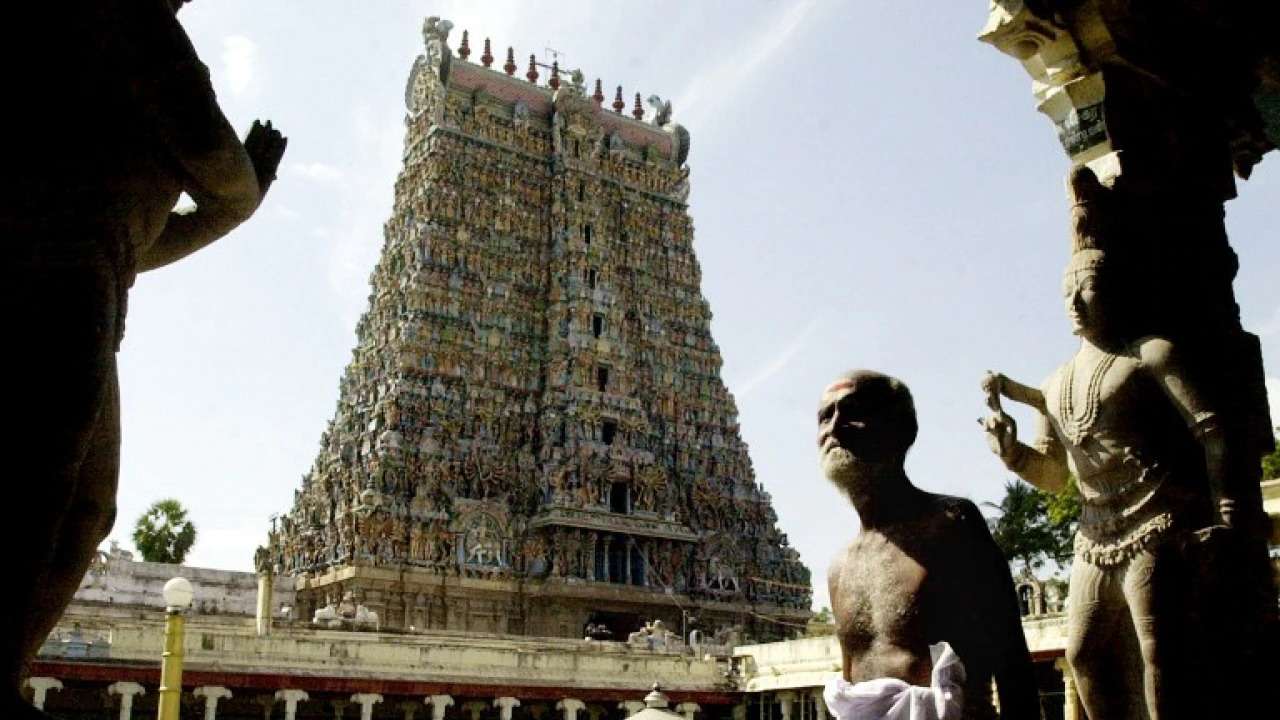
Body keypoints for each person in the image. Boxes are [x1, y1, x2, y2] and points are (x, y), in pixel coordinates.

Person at [2, 2, 286, 716]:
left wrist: (125, 246)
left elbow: (147, 242)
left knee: (79, 507)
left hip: (97, 275)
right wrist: (249, 186)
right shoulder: (130, 23)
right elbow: (227, 181)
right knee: (45, 490)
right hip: (60, 275)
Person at [979, 168, 1226, 720]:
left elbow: (1210, 430)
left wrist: (1227, 513)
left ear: (1113, 290)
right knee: (1084, 655)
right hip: (1095, 533)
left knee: (1159, 652)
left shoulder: (1148, 356)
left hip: (1155, 521)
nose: (1075, 302)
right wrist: (1011, 451)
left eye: (1086, 288)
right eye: (1067, 292)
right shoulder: (1057, 383)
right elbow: (1056, 476)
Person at [820, 371, 1038, 720]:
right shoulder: (839, 567)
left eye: (852, 411)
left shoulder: (950, 525)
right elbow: (850, 691)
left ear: (900, 430)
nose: (834, 427)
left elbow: (1013, 663)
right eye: (825, 416)